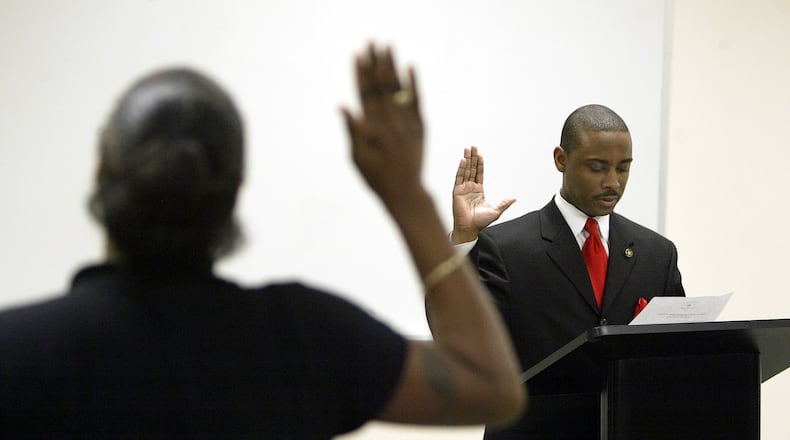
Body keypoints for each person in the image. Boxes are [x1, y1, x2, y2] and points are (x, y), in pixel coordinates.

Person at [0, 44, 526, 439]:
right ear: (234, 193)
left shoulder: (17, 350)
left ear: (101, 175)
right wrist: (408, 196)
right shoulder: (300, 338)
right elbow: (493, 387)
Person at [451, 104, 685, 439]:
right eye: (597, 167)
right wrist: (464, 239)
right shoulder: (505, 247)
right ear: (561, 159)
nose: (613, 182)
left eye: (623, 168)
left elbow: (679, 357)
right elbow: (461, 341)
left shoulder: (656, 254)